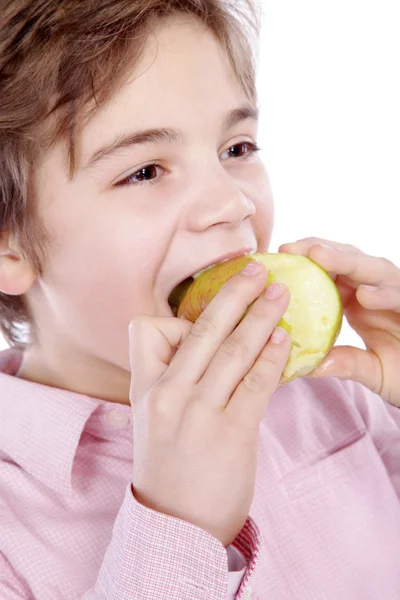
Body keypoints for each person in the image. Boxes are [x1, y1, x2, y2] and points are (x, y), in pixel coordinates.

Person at [1, 1, 400, 598]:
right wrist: (177, 524)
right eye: (145, 171)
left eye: (236, 148)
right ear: (9, 243)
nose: (232, 203)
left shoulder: (334, 397)